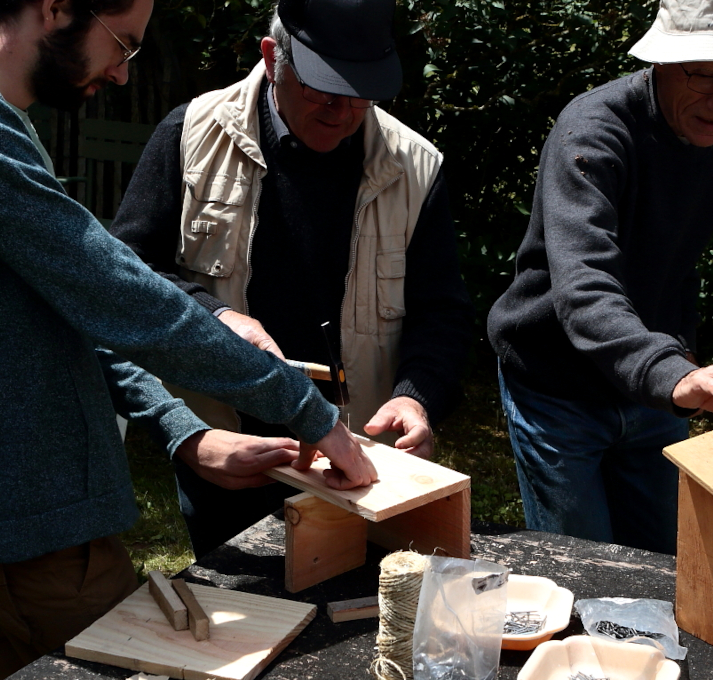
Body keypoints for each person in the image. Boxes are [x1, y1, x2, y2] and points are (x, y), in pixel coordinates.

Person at [0, 0, 377, 677]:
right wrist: (303, 406)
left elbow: (64, 309)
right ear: (56, 6)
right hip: (33, 538)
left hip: (7, 531)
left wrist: (183, 430)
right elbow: (115, 290)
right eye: (123, 44)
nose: (123, 74)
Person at [109, 0, 472, 556]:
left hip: (355, 463)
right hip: (229, 450)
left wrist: (416, 396)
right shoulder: (190, 134)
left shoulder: (414, 166)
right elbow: (126, 277)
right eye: (323, 89)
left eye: (360, 92)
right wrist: (215, 314)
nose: (342, 111)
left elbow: (441, 312)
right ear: (273, 56)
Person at [486, 0, 713, 555]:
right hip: (558, 386)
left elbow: (677, 257)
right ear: (664, 61)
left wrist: (679, 358)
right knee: (583, 569)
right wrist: (671, 373)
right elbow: (583, 286)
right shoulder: (593, 131)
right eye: (706, 78)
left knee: (664, 565)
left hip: (654, 387)